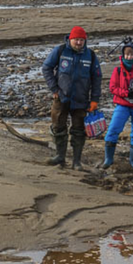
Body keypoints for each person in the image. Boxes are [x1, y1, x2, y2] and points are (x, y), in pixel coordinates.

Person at [41, 26, 101, 170]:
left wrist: (94, 99)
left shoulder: (91, 55)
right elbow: (46, 68)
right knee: (58, 127)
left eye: (81, 40)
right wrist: (54, 89)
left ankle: (76, 161)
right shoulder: (60, 51)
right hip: (61, 97)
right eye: (76, 40)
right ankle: (60, 156)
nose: (79, 43)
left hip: (81, 99)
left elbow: (97, 78)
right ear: (70, 39)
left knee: (79, 130)